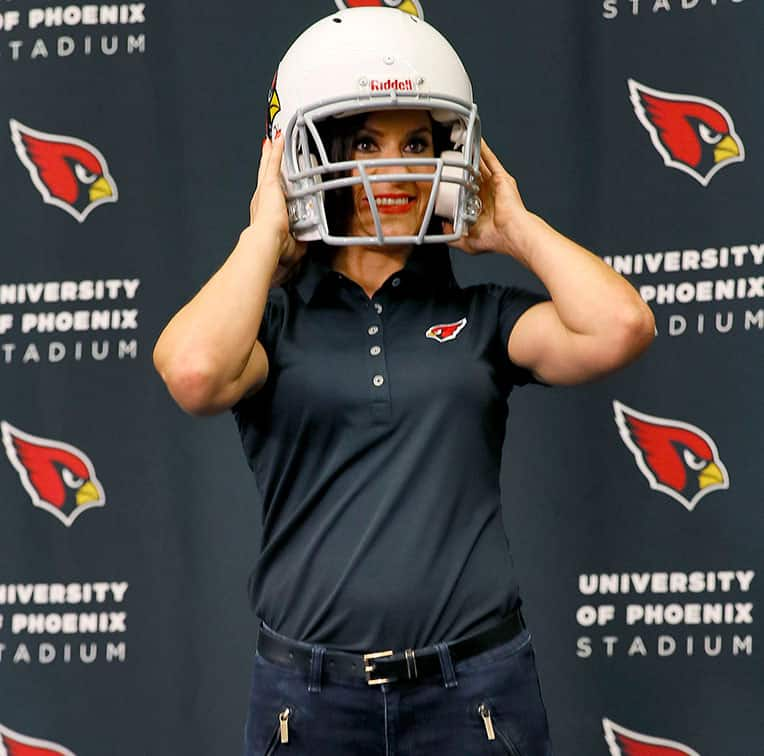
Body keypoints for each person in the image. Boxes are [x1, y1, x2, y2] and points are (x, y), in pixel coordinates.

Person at [153, 7, 655, 755]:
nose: (394, 169)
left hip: (475, 691)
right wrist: (265, 231)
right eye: (366, 141)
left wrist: (514, 226)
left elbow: (621, 327)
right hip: (310, 700)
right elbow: (193, 372)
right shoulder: (272, 322)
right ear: (308, 151)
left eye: (416, 142)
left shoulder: (480, 317)